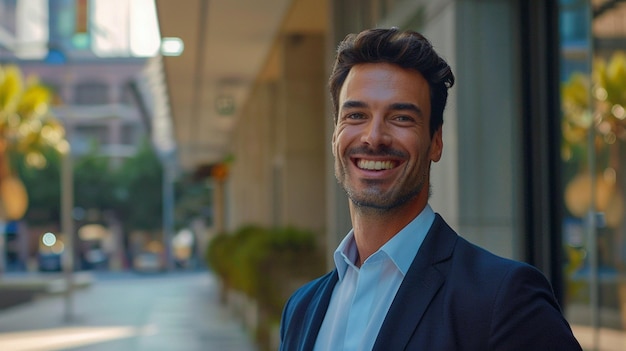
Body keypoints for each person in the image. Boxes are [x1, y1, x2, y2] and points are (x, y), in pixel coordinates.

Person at [278, 28, 582, 351]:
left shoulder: (503, 299)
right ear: (335, 135)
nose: (373, 137)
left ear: (436, 141)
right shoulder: (301, 310)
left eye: (401, 117)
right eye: (356, 115)